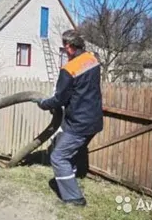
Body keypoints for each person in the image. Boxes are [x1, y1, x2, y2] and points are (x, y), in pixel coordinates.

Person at [34, 29, 103, 206]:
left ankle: (74, 198)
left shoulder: (69, 69)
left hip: (79, 123)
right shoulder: (92, 60)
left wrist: (44, 103)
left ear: (69, 47)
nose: (64, 51)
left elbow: (60, 98)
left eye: (65, 48)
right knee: (68, 154)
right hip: (94, 120)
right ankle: (68, 182)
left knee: (58, 157)